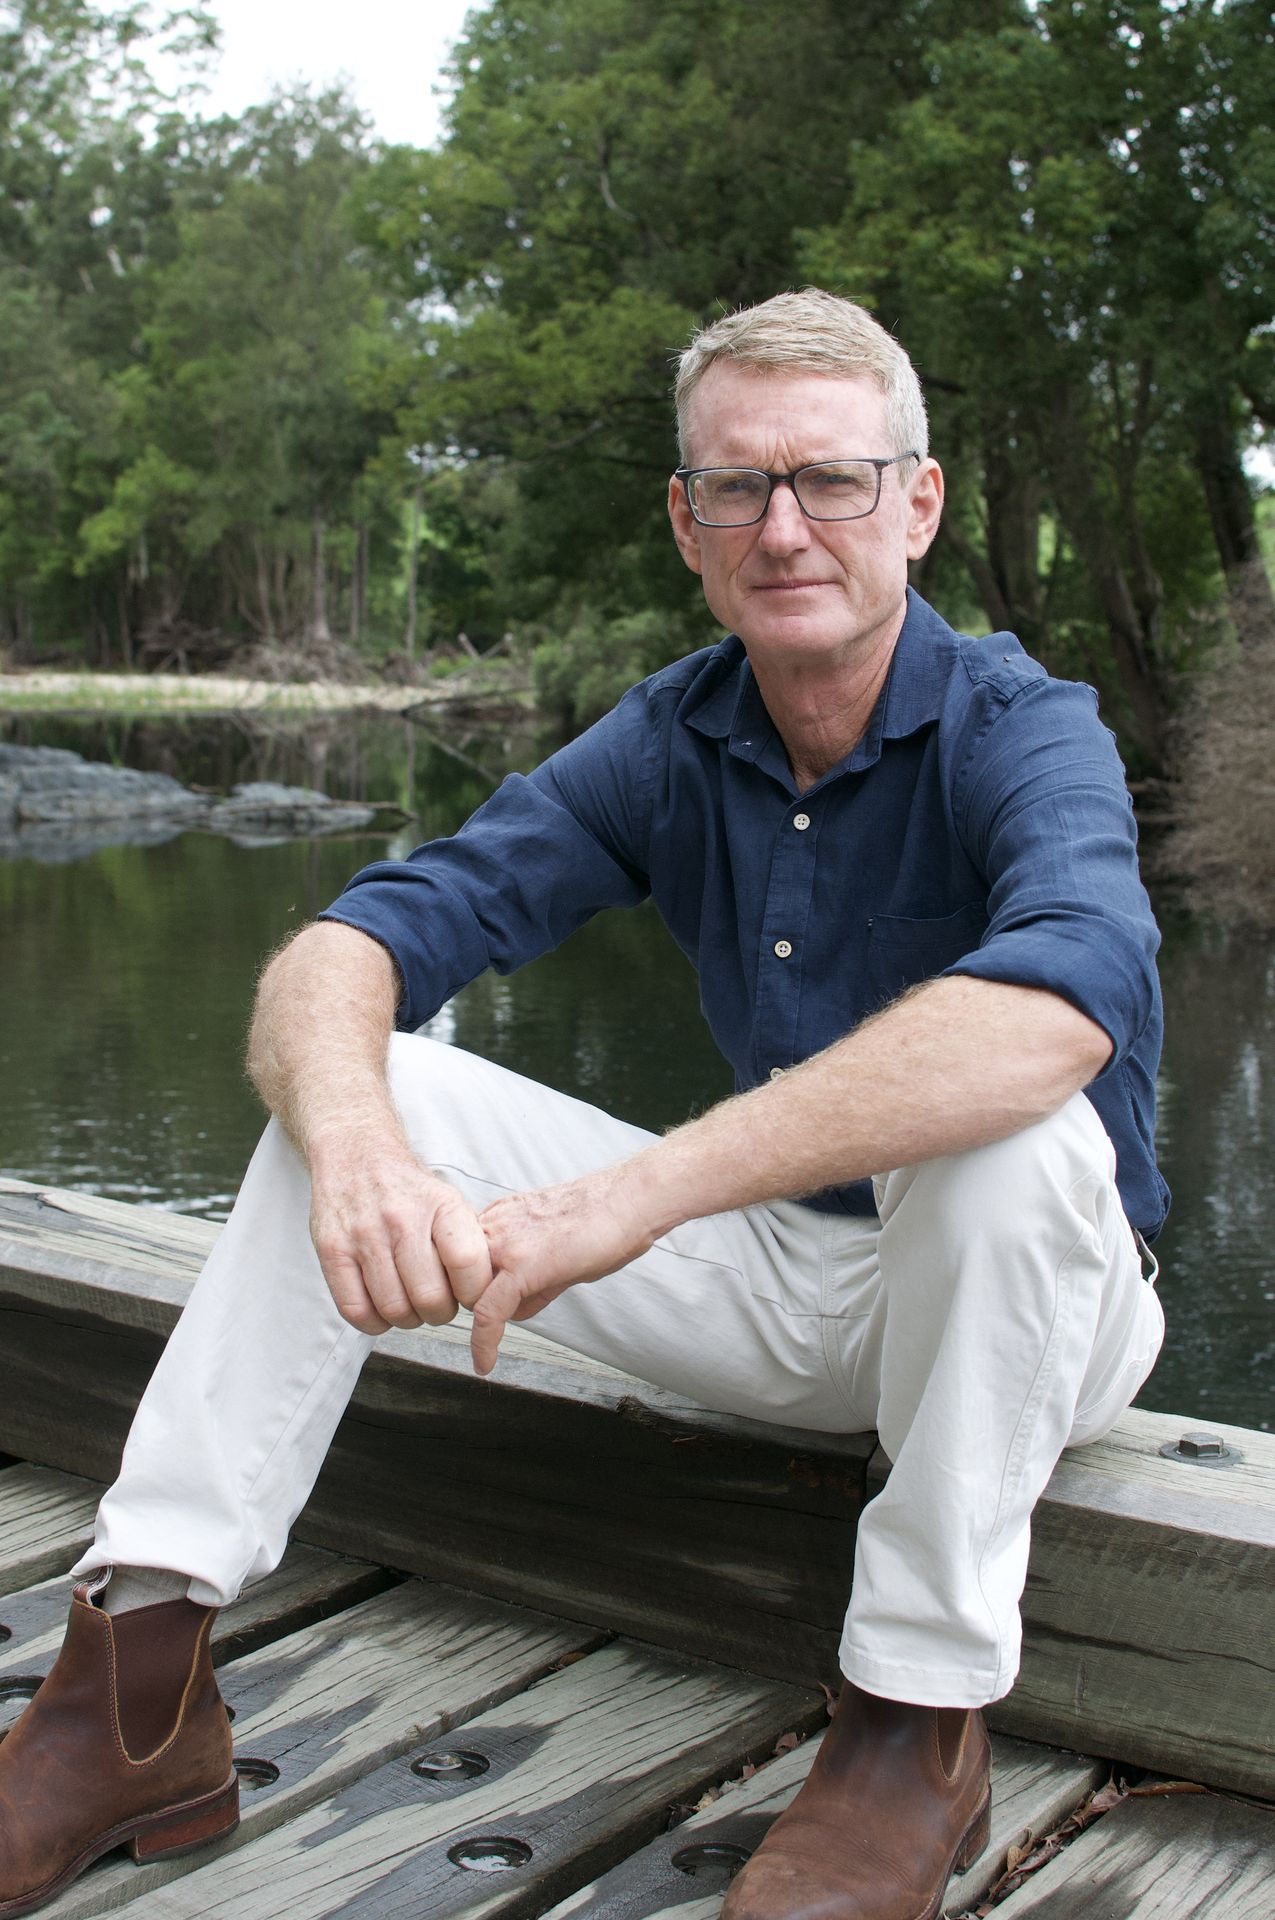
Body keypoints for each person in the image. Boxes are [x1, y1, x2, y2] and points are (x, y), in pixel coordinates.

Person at [0, 289, 1167, 1920]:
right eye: (735, 487)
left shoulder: (1027, 727)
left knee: (1012, 1130)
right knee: (373, 1078)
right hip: (777, 1290)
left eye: (829, 478)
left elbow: (1057, 1015)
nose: (783, 525)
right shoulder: (672, 731)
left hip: (1036, 1308)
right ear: (684, 524)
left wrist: (629, 1199)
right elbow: (350, 946)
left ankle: (913, 1728)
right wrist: (356, 1156)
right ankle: (133, 1682)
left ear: (919, 500)